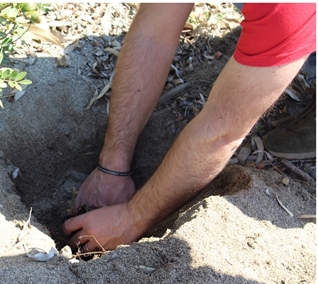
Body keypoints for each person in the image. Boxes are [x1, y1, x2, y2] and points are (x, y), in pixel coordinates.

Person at [64, 3, 316, 252]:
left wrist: (131, 218)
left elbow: (221, 132)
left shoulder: (284, 9)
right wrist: (113, 165)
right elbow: (153, 32)